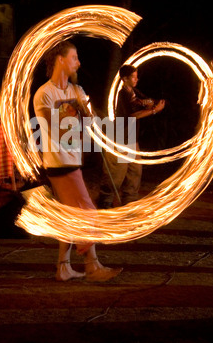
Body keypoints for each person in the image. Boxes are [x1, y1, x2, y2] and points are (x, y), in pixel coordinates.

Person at [33, 40, 123, 282]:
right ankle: (92, 265)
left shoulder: (77, 91)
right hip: (58, 162)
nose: (79, 63)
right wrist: (78, 113)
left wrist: (88, 115)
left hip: (73, 160)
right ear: (61, 60)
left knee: (71, 216)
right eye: (74, 57)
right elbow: (59, 130)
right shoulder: (44, 94)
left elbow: (90, 125)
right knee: (88, 212)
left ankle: (63, 267)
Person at [98, 64, 165, 208]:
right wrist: (154, 110)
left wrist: (150, 104)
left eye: (136, 76)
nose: (136, 79)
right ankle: (105, 201)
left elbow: (144, 102)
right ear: (124, 79)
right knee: (117, 173)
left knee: (135, 170)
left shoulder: (134, 92)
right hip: (120, 138)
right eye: (133, 77)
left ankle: (129, 200)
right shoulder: (122, 94)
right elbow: (133, 115)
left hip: (131, 138)